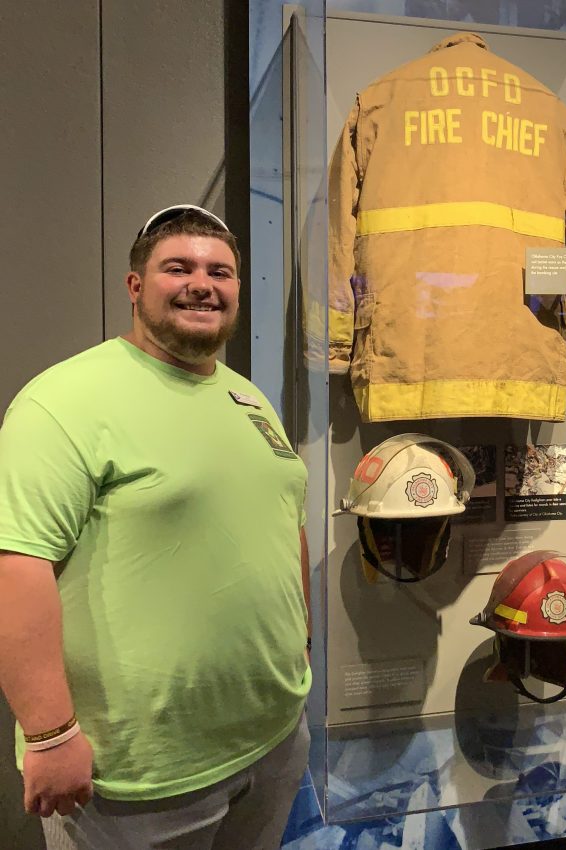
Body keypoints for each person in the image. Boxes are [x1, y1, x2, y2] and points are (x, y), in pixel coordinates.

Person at [0, 205, 312, 850]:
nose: (203, 283)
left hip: (272, 738)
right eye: (179, 267)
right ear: (135, 286)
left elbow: (285, 521)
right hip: (139, 775)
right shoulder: (63, 401)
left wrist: (299, 646)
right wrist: (50, 734)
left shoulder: (247, 398)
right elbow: (15, 567)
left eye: (219, 271)